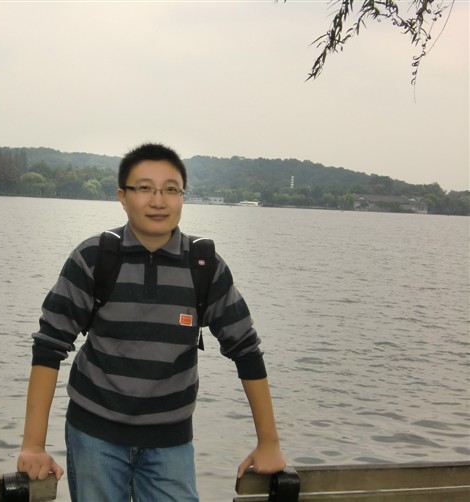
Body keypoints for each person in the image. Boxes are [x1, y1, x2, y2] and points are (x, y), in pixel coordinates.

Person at [17, 143, 286, 501]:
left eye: (170, 189)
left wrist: (269, 443)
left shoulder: (204, 266)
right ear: (122, 197)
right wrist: (33, 445)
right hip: (94, 435)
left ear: (182, 197)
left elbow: (246, 350)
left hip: (171, 441)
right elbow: (49, 346)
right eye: (144, 188)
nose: (158, 201)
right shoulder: (94, 258)